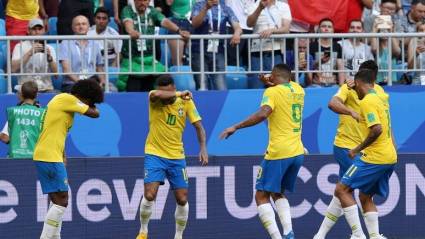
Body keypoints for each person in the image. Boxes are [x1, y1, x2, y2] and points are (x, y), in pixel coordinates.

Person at [220, 63, 304, 239]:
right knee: (277, 192)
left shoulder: (271, 93)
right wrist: (271, 80)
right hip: (297, 151)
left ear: (273, 77)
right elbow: (284, 84)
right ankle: (289, 233)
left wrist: (236, 126)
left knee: (261, 195)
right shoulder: (298, 89)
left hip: (279, 151)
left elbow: (263, 113)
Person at [313, 60, 389, 239]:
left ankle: (320, 235)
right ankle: (360, 234)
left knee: (345, 192)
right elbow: (332, 104)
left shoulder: (379, 93)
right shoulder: (348, 86)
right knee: (346, 190)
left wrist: (391, 145)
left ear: (373, 77)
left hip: (367, 150)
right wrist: (351, 112)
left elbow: (385, 124)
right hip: (347, 147)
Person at [136, 75, 208, 239]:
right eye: (164, 93)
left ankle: (178, 236)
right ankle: (143, 231)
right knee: (149, 195)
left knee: (182, 199)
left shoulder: (186, 102)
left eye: (170, 93)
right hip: (154, 153)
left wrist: (203, 148)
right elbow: (157, 95)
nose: (167, 98)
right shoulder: (154, 98)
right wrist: (178, 94)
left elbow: (199, 127)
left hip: (176, 156)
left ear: (173, 88)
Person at [34, 80, 103, 239]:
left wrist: (63, 154)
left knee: (56, 200)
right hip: (49, 155)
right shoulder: (67, 99)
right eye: (90, 101)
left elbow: (58, 132)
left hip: (49, 154)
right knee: (62, 200)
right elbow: (95, 114)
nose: (90, 104)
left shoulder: (63, 105)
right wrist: (91, 106)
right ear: (84, 96)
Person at [334, 69, 396, 239]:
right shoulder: (380, 97)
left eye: (357, 87)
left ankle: (358, 234)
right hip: (389, 156)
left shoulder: (367, 101)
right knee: (365, 196)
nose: (356, 91)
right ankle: (375, 236)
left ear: (360, 84)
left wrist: (357, 149)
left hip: (374, 157)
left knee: (341, 190)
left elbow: (376, 129)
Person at [117, 0, 190, 92]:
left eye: (146, 0)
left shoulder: (152, 11)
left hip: (149, 60)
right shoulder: (127, 10)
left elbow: (164, 21)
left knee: (164, 80)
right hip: (132, 59)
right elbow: (128, 22)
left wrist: (179, 30)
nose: (142, 3)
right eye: (140, 0)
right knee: (133, 91)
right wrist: (131, 31)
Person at [191, 0, 242, 90]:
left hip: (218, 51)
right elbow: (195, 24)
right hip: (198, 50)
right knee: (202, 86)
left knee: (221, 86)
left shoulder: (225, 8)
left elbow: (237, 27)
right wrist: (206, 8)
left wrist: (237, 33)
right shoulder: (198, 5)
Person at [246, 0, 292, 88]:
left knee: (278, 86)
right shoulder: (254, 5)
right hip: (257, 52)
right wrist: (259, 9)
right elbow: (249, 24)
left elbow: (286, 29)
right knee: (257, 86)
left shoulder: (283, 6)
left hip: (275, 51)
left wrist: (272, 30)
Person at [59, 15, 105, 93]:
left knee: (111, 89)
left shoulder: (95, 44)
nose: (81, 26)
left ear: (89, 27)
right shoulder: (65, 43)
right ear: (72, 27)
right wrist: (82, 84)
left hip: (91, 82)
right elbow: (66, 70)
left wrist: (102, 81)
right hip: (73, 84)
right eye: (78, 24)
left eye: (84, 24)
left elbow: (99, 67)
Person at [11, 18, 58, 93]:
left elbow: (56, 75)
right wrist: (29, 53)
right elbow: (13, 69)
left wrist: (50, 58)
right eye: (34, 29)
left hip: (46, 89)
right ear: (28, 31)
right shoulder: (19, 46)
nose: (37, 32)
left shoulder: (50, 48)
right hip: (26, 90)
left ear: (44, 31)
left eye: (40, 29)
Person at [3, 82, 45, 159]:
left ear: (21, 95)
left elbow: (4, 137)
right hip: (36, 157)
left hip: (14, 156)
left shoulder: (13, 112)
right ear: (36, 95)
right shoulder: (43, 113)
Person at [309, 18, 345, 87]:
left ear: (333, 30)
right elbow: (309, 67)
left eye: (329, 27)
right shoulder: (312, 46)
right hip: (317, 84)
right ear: (319, 29)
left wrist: (341, 86)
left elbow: (341, 67)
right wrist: (320, 61)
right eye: (323, 26)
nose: (326, 29)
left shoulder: (337, 46)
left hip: (333, 83)